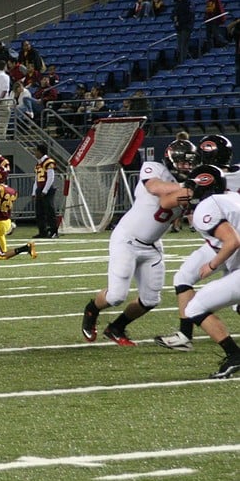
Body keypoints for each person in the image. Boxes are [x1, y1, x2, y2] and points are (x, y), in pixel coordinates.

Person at [81, 139, 195, 346]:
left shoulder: (192, 185)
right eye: (181, 162)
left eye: (189, 163)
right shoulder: (155, 168)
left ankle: (116, 327)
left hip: (153, 245)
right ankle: (92, 309)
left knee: (151, 300)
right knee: (116, 296)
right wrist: (185, 187)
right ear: (170, 159)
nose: (186, 167)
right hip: (127, 239)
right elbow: (154, 188)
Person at [155, 135, 239, 352]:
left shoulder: (206, 177)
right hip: (227, 238)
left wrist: (185, 187)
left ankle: (185, 334)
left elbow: (166, 202)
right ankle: (186, 334)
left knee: (186, 280)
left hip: (223, 243)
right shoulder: (231, 174)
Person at [171, 166, 240, 378]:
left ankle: (235, 356)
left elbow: (232, 241)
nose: (189, 193)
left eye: (192, 186)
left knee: (194, 308)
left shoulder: (207, 207)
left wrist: (211, 265)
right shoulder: (232, 198)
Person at [33, 143, 59, 239]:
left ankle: (54, 231)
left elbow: (51, 177)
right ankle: (42, 231)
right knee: (39, 212)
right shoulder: (38, 163)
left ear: (40, 151)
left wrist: (45, 190)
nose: (35, 153)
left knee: (49, 211)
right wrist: (34, 191)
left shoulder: (48, 161)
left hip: (47, 189)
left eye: (36, 151)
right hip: (40, 188)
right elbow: (36, 179)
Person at [173, 0, 194, 64]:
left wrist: (180, 21)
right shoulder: (177, 3)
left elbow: (189, 15)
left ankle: (183, 62)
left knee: (183, 45)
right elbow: (174, 13)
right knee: (180, 45)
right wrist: (175, 19)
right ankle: (184, 60)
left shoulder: (188, 2)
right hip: (179, 27)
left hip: (186, 27)